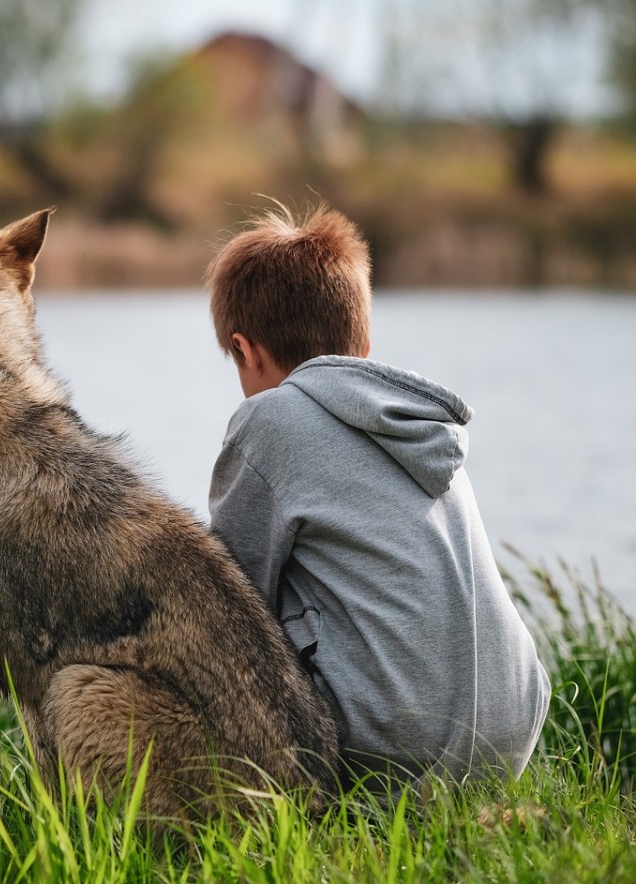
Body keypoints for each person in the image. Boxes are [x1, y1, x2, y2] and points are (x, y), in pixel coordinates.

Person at [205, 204, 550, 788]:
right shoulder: (412, 423)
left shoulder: (270, 419)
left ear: (246, 351)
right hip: (511, 733)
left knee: (214, 602)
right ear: (362, 342)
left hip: (395, 753)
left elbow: (228, 604)